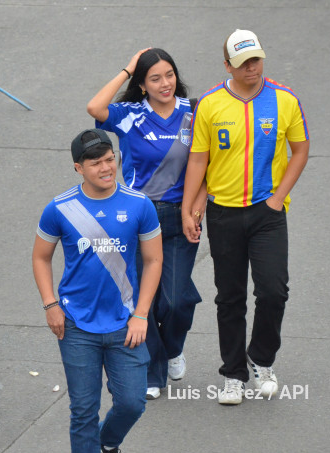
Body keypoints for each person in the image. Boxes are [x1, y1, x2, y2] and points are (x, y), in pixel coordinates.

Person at [32, 129, 163, 453]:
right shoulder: (60, 208)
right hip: (75, 326)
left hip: (126, 325)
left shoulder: (139, 205)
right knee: (83, 409)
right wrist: (50, 304)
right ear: (79, 168)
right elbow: (41, 258)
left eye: (110, 159)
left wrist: (141, 314)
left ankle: (108, 442)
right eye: (96, 162)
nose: (106, 167)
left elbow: (154, 261)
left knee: (132, 401)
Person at [181, 29, 310, 405]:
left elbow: (300, 150)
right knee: (230, 296)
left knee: (274, 291)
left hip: (267, 212)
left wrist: (278, 198)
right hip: (223, 213)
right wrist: (191, 208)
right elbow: (198, 159)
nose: (252, 68)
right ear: (227, 66)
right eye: (243, 63)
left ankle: (262, 359)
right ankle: (233, 374)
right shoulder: (208, 104)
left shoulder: (285, 100)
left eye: (256, 60)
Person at [87, 48, 202, 401]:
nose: (165, 83)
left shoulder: (194, 111)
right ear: (142, 85)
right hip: (139, 217)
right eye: (154, 78)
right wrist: (127, 68)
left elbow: (207, 164)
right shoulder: (130, 115)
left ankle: (172, 349)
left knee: (176, 299)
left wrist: (196, 209)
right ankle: (153, 372)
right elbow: (95, 108)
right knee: (145, 301)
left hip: (183, 216)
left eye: (169, 75)